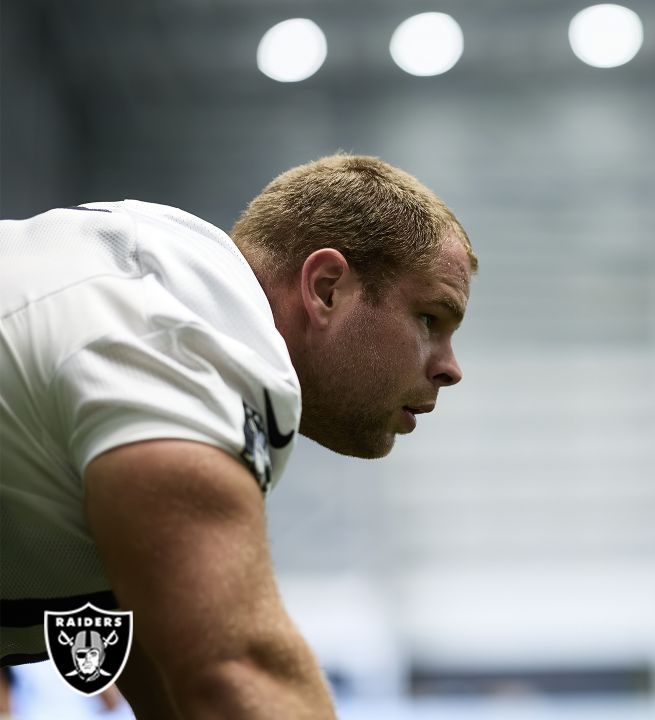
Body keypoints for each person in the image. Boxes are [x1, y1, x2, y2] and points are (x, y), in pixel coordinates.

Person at [0, 154, 477, 718]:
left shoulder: (146, 290)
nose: (450, 367)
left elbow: (177, 685)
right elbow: (238, 675)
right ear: (326, 289)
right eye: (430, 319)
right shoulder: (186, 336)